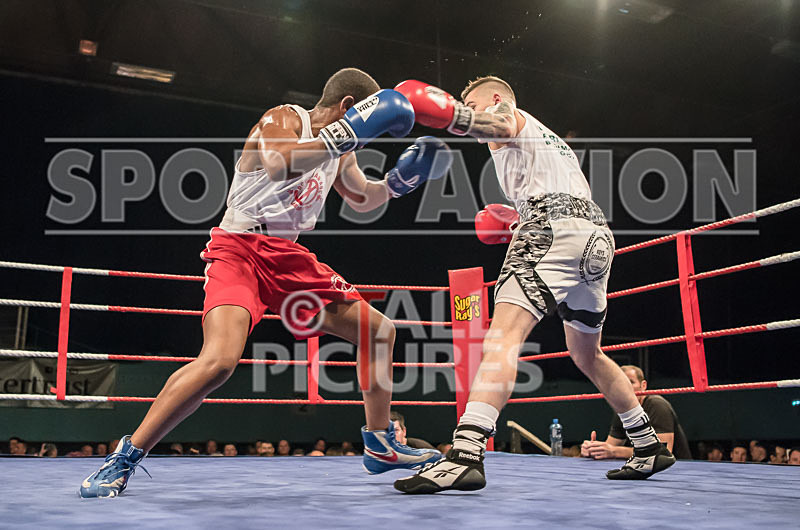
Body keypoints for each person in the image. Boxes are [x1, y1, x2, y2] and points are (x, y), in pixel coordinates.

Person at [79, 67, 447, 498]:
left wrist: (400, 183)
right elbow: (278, 163)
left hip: (288, 257)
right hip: (240, 248)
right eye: (369, 126)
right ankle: (125, 456)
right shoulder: (284, 118)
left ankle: (380, 444)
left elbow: (362, 196)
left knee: (379, 331)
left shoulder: (342, 150)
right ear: (350, 107)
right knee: (219, 362)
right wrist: (347, 134)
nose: (367, 140)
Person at [392, 76, 676, 494]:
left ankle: (465, 454)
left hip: (550, 228)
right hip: (595, 238)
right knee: (587, 353)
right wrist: (515, 220)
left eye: (473, 103)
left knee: (502, 338)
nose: (471, 113)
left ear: (494, 99)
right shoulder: (546, 142)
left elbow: (500, 123)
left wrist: (454, 115)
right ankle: (648, 444)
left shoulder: (507, 116)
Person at [579, 365, 691, 461]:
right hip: (643, 468)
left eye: (631, 382)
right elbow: (609, 447)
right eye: (620, 382)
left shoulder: (657, 405)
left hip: (677, 470)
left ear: (643, 386)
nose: (625, 387)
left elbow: (662, 453)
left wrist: (614, 451)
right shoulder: (622, 409)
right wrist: (593, 449)